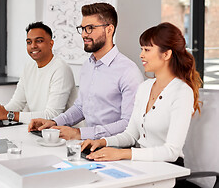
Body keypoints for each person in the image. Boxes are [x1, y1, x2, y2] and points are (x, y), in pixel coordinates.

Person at [81, 22, 201, 168]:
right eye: (141, 49)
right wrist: (101, 142)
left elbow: (171, 151)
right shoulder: (145, 87)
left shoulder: (182, 92)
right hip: (140, 164)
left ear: (166, 54)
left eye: (147, 50)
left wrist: (122, 154)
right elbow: (130, 135)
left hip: (169, 169)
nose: (141, 55)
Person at [29, 3, 144, 140]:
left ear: (109, 30)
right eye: (82, 28)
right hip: (88, 145)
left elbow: (129, 124)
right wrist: (54, 123)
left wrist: (80, 133)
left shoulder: (128, 71)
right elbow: (81, 107)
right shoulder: (87, 66)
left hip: (115, 149)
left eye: (90, 28)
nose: (84, 34)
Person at [0, 22, 76, 124]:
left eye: (39, 41)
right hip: (36, 129)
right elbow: (17, 103)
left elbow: (52, 115)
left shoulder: (61, 69)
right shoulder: (29, 67)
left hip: (63, 135)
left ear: (51, 44)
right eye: (29, 42)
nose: (33, 46)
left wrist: (8, 115)